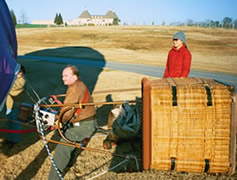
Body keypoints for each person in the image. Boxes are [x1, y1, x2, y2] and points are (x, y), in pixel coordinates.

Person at [49, 65, 96, 180]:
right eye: (62, 76)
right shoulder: (78, 85)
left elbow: (67, 113)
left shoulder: (75, 89)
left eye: (66, 76)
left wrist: (57, 120)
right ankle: (69, 162)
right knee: (67, 135)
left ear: (75, 76)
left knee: (62, 147)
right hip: (87, 122)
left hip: (85, 125)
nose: (63, 78)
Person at [3, 65, 26, 147]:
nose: (19, 73)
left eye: (20, 72)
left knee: (15, 123)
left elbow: (12, 87)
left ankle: (15, 140)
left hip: (16, 106)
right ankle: (10, 138)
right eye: (17, 71)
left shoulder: (22, 80)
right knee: (9, 122)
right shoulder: (14, 78)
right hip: (9, 105)